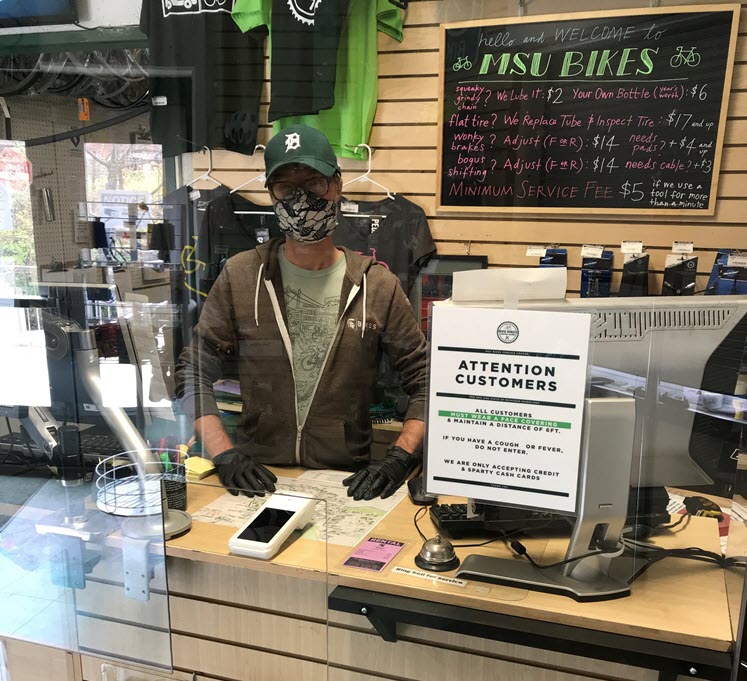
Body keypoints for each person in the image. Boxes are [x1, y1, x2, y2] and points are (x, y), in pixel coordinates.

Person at [175, 125, 427, 501]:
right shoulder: (242, 275)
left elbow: (425, 381)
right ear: (271, 194)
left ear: (337, 186)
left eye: (313, 182)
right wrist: (224, 455)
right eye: (286, 187)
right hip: (258, 480)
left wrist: (399, 458)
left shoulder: (377, 285)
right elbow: (193, 370)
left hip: (345, 482)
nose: (301, 198)